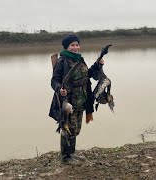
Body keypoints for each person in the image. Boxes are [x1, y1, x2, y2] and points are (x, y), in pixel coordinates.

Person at [49, 34, 105, 165]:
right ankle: (66, 157)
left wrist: (97, 65)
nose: (76, 47)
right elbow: (54, 81)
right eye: (72, 45)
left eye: (77, 44)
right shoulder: (62, 61)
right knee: (67, 127)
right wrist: (59, 89)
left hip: (82, 100)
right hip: (68, 101)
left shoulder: (80, 60)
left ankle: (72, 152)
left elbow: (88, 75)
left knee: (75, 129)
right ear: (67, 47)